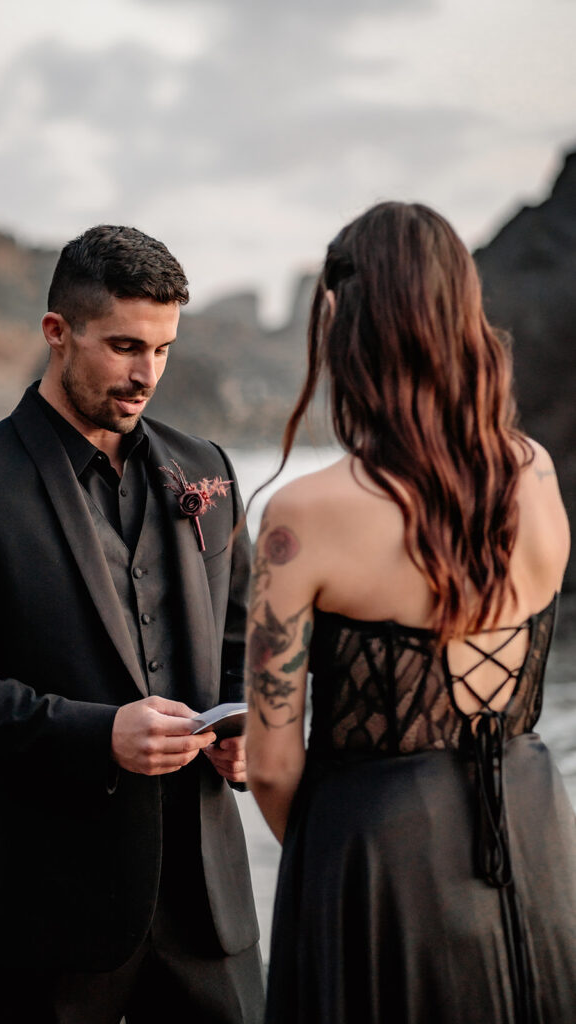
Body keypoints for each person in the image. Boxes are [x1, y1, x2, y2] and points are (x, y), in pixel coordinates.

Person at [0, 225, 264, 1024]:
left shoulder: (209, 469)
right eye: (125, 346)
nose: (147, 375)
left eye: (163, 350)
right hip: (45, 906)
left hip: (209, 905)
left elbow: (247, 643)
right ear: (57, 334)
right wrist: (101, 735)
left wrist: (249, 729)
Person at [244, 202, 576, 1023]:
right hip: (538, 839)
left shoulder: (304, 515)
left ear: (346, 329)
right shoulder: (533, 473)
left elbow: (272, 764)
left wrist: (346, 860)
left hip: (379, 855)